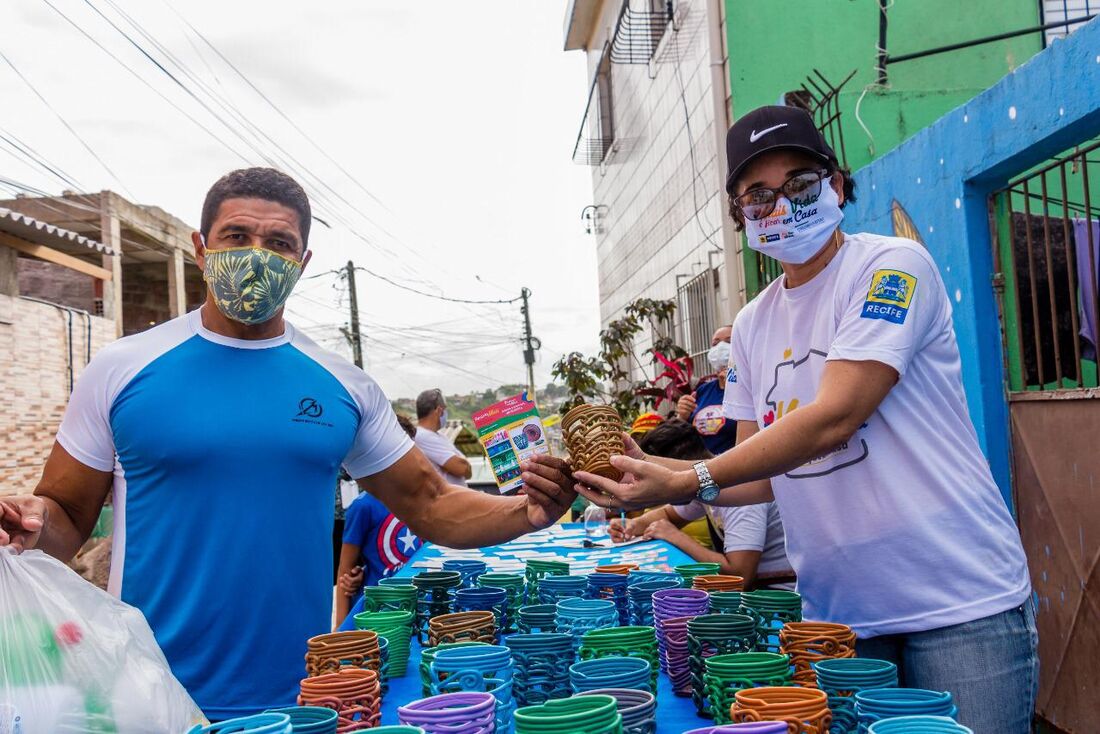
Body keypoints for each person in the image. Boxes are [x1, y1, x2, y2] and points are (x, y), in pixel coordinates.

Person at [0, 168, 575, 720]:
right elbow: (66, 514)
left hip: (306, 697)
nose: (256, 253)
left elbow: (432, 505)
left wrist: (525, 512)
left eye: (278, 243)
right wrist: (30, 519)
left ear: (301, 263)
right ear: (203, 248)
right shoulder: (121, 368)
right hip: (150, 689)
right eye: (237, 236)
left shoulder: (343, 386)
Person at [573, 106, 1036, 734]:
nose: (782, 206)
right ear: (741, 218)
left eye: (800, 184)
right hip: (839, 618)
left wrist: (684, 482)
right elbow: (754, 474)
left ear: (837, 186)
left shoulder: (892, 268)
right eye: (758, 196)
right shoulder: (751, 328)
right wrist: (650, 468)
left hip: (958, 604)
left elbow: (834, 417)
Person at [609, 419, 794, 590]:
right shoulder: (705, 482)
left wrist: (675, 537)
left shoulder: (739, 491)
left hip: (777, 594)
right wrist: (634, 525)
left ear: (675, 469)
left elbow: (740, 577)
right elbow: (669, 515)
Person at [334, 414, 422, 625]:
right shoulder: (363, 506)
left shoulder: (420, 498)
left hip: (416, 604)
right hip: (379, 611)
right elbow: (345, 573)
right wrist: (340, 627)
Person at [675, 327, 738, 454]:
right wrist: (682, 416)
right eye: (715, 344)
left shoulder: (749, 389)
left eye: (729, 342)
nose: (721, 348)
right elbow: (679, 435)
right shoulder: (703, 390)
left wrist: (734, 387)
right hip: (702, 466)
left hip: (734, 469)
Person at [414, 388, 472, 486]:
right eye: (445, 409)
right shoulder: (422, 436)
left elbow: (467, 470)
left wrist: (463, 465)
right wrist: (463, 464)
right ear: (439, 410)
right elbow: (462, 468)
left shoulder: (439, 436)